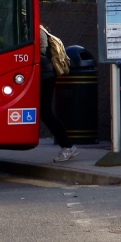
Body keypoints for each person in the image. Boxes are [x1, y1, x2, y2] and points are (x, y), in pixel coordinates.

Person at [39, 24, 78, 162]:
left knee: (46, 112)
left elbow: (38, 53)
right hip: (45, 75)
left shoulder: (37, 32)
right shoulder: (41, 30)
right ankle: (67, 145)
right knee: (44, 112)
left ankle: (68, 145)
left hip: (44, 76)